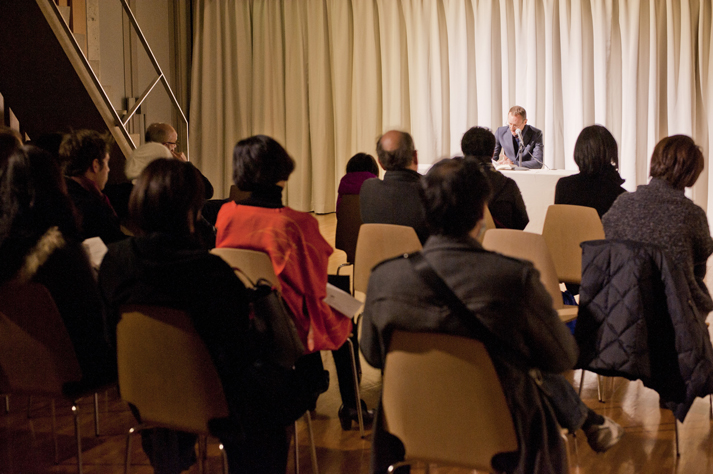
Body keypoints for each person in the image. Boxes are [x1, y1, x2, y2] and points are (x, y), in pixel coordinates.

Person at [361, 157, 623, 474]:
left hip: (412, 426)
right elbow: (561, 358)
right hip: (504, 433)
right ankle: (587, 420)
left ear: (424, 210)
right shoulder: (514, 278)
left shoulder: (384, 278)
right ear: (480, 211)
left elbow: (374, 356)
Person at [99, 158, 290, 474]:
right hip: (216, 400)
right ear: (193, 209)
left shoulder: (115, 261)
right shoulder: (209, 271)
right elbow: (239, 352)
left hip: (146, 395)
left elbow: (111, 336)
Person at [215, 135, 372, 430]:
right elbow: (314, 287)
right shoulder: (296, 223)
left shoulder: (227, 214)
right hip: (291, 320)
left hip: (248, 314)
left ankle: (313, 386)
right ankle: (351, 404)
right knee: (344, 309)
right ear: (283, 173)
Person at [0, 141, 116, 390]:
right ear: (56, 184)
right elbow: (93, 320)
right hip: (81, 367)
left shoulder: (6, 252)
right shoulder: (62, 251)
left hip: (16, 364)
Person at [602, 134, 713, 315]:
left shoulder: (621, 204)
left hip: (621, 307)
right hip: (674, 312)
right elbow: (704, 250)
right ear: (692, 173)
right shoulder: (692, 214)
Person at [359, 130, 429, 244]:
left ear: (380, 163)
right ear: (415, 156)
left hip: (377, 260)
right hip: (422, 260)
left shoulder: (368, 189)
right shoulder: (431, 191)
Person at [60, 129, 127, 244]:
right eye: (106, 162)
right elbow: (116, 244)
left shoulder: (60, 193)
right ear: (95, 165)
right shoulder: (92, 208)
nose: (108, 169)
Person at [461, 126, 529, 229]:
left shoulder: (453, 181)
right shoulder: (508, 185)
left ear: (463, 151)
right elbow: (522, 222)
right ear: (493, 153)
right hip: (500, 243)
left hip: (459, 243)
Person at [555, 125, 627, 217]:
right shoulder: (619, 194)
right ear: (611, 152)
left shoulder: (564, 186)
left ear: (579, 152)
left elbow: (558, 226)